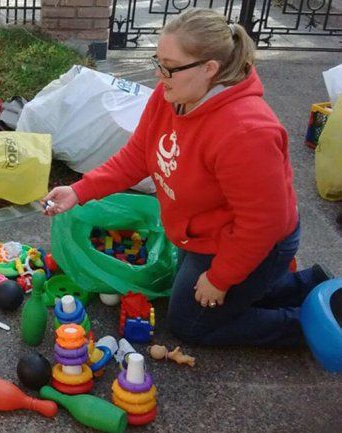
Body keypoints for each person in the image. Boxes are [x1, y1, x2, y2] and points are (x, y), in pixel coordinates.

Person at [42, 8, 332, 347]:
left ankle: (312, 325)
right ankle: (304, 284)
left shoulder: (247, 133)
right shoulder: (173, 96)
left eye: (169, 66)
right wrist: (79, 191)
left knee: (189, 324)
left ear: (209, 69)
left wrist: (221, 278)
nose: (158, 74)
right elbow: (137, 157)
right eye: (158, 60)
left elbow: (262, 225)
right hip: (203, 234)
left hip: (254, 242)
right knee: (190, 298)